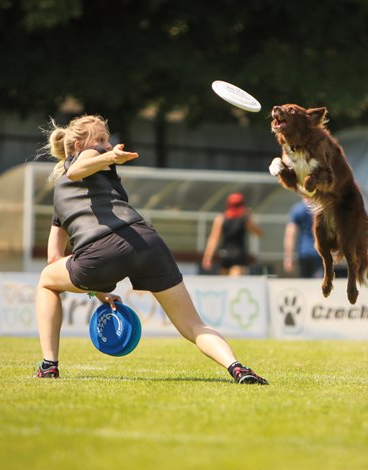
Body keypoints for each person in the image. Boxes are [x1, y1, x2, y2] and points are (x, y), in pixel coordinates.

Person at [34, 115, 267, 384]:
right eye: (100, 140)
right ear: (76, 146)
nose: (106, 145)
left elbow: (54, 259)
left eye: (106, 140)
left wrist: (96, 287)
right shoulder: (93, 158)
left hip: (102, 252)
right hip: (146, 241)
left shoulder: (70, 182)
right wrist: (109, 157)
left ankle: (49, 365)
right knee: (193, 325)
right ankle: (237, 367)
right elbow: (76, 170)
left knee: (47, 282)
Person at [201, 192, 263, 276]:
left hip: (224, 254)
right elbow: (259, 233)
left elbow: (213, 239)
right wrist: (251, 218)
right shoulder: (244, 219)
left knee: (225, 285)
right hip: (239, 255)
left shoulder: (221, 218)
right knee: (235, 284)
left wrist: (207, 257)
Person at [284, 199, 322, 278]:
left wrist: (288, 257)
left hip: (304, 253)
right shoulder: (321, 208)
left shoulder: (298, 209)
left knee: (305, 285)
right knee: (319, 285)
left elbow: (290, 235)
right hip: (320, 253)